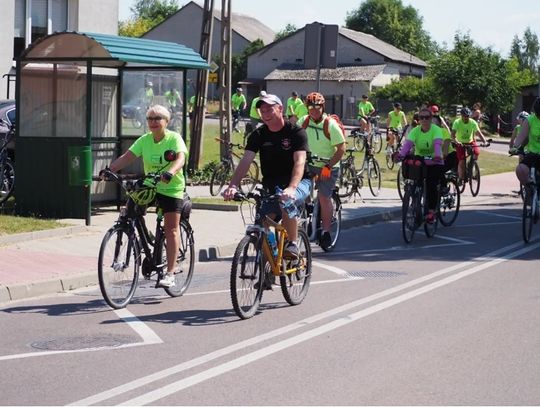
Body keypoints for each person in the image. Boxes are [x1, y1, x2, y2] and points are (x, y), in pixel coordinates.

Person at [103, 104, 188, 288]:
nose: (153, 122)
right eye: (150, 118)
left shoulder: (174, 138)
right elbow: (127, 157)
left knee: (171, 228)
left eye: (157, 118)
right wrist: (110, 170)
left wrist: (171, 172)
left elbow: (180, 158)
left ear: (167, 121)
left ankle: (170, 272)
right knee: (130, 209)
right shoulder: (145, 140)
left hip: (171, 188)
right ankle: (143, 238)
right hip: (150, 186)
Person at [222, 93, 311, 259]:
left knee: (286, 202)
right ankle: (270, 262)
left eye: (269, 109)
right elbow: (246, 161)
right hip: (271, 184)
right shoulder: (258, 135)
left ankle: (292, 243)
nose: (265, 114)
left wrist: (291, 188)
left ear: (280, 109)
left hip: (298, 182)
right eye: (262, 111)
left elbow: (299, 162)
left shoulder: (296, 133)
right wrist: (233, 185)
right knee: (262, 223)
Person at [301, 92, 346, 249]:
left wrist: (329, 165)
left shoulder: (330, 125)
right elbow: (295, 137)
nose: (314, 110)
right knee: (301, 190)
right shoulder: (304, 121)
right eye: (311, 107)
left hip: (329, 166)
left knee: (323, 197)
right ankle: (308, 210)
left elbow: (341, 149)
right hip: (310, 163)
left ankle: (326, 232)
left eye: (317, 107)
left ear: (322, 107)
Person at [396, 107, 445, 223]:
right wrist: (401, 155)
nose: (424, 120)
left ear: (431, 118)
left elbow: (437, 144)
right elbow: (407, 145)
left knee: (431, 184)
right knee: (414, 181)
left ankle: (431, 211)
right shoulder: (415, 131)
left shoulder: (436, 130)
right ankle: (415, 202)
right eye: (421, 117)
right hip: (420, 160)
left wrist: (437, 155)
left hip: (435, 161)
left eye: (426, 117)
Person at [451, 107, 488, 183]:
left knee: (476, 152)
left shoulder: (472, 122)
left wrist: (485, 142)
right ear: (461, 116)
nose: (466, 118)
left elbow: (479, 133)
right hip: (460, 142)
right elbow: (453, 135)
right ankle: (461, 178)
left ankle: (471, 165)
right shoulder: (457, 122)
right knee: (461, 160)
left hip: (470, 141)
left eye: (467, 116)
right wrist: (457, 141)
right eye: (464, 116)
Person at [511, 97, 540, 186]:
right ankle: (529, 190)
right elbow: (522, 135)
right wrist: (515, 147)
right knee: (520, 169)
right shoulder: (530, 120)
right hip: (533, 153)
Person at [430, 105, 455, 173]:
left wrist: (449, 135)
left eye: (436, 111)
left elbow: (446, 126)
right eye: (434, 111)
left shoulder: (439, 119)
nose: (435, 113)